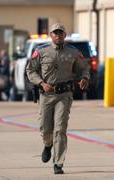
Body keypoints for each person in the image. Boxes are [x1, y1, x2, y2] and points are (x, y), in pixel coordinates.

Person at [26, 22, 90, 174]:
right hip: (46, 95)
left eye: (60, 33)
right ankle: (48, 145)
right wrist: (41, 83)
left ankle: (58, 163)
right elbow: (30, 70)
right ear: (51, 35)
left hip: (64, 95)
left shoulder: (73, 52)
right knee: (45, 128)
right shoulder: (41, 51)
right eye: (55, 33)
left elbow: (84, 67)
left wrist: (85, 78)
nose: (58, 35)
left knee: (60, 129)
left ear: (64, 35)